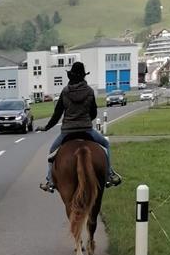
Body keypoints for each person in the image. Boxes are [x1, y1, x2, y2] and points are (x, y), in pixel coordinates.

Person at [37, 61, 122, 192]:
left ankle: (50, 181)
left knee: (52, 152)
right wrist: (85, 119)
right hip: (86, 130)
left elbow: (57, 114)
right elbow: (93, 113)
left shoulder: (65, 92)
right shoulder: (89, 91)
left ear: (70, 76)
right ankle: (110, 175)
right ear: (83, 76)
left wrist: (46, 127)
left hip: (67, 131)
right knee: (105, 145)